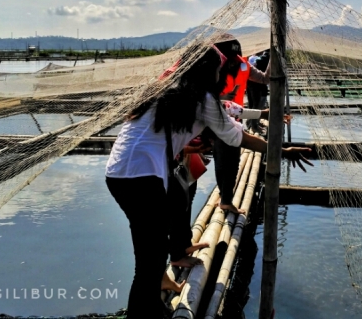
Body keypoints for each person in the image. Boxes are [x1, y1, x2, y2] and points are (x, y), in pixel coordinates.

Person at [105, 46, 311, 319]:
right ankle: (143, 313)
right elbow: (239, 137)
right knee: (149, 260)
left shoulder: (166, 89)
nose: (219, 75)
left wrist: (264, 125)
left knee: (150, 253)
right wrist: (281, 150)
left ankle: (153, 301)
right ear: (207, 72)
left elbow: (230, 117)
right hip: (142, 177)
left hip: (119, 174)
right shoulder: (202, 99)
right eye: (217, 70)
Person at [213, 37, 271, 215]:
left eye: (235, 58)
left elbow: (265, 79)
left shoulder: (244, 65)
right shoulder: (212, 70)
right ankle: (225, 200)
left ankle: (225, 197)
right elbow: (206, 98)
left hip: (233, 116)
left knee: (228, 158)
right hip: (216, 119)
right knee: (226, 158)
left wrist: (274, 58)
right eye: (229, 59)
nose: (233, 63)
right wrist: (220, 99)